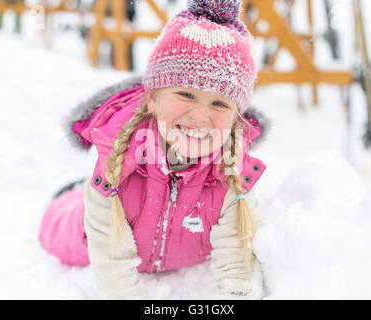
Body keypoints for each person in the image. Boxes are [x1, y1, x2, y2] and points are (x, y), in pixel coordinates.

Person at [39, 0, 271, 299]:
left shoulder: (232, 172)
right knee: (56, 233)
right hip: (94, 233)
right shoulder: (118, 161)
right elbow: (110, 262)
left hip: (183, 250)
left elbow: (237, 261)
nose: (200, 116)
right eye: (186, 94)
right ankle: (71, 193)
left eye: (219, 103)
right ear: (152, 100)